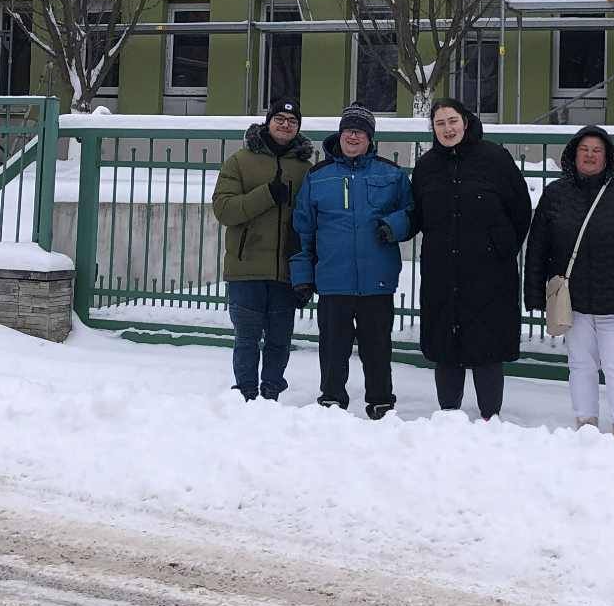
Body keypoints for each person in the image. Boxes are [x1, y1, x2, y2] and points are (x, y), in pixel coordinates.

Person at [523, 124, 614, 441]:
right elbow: (538, 247)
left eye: (596, 150)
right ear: (573, 155)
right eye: (584, 150)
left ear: (607, 156)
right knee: (580, 366)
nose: (590, 156)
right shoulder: (555, 195)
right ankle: (585, 428)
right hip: (574, 303)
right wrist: (534, 294)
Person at [410, 97, 533, 421]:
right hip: (442, 271)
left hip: (490, 272)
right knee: (446, 344)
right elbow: (417, 214)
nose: (447, 129)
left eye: (452, 121)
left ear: (465, 122)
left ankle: (490, 416)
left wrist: (501, 246)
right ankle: (448, 415)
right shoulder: (426, 166)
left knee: (487, 345)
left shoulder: (495, 159)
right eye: (440, 123)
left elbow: (520, 210)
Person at [290, 104, 414, 417]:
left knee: (377, 347)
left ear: (370, 138)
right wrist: (302, 276)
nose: (353, 136)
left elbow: (413, 213)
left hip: (377, 279)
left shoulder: (391, 174)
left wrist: (394, 226)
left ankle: (381, 400)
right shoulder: (318, 176)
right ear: (340, 134)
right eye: (348, 130)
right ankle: (332, 398)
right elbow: (302, 229)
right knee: (333, 347)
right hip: (333, 279)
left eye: (359, 131)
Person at [210, 97, 313, 400]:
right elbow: (224, 209)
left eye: (292, 121)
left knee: (280, 340)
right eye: (279, 118)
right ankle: (246, 391)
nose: (285, 125)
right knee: (247, 338)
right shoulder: (240, 161)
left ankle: (271, 391)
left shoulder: (306, 169)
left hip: (286, 270)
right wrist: (266, 194)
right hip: (247, 268)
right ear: (268, 122)